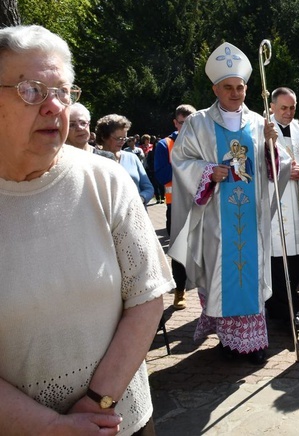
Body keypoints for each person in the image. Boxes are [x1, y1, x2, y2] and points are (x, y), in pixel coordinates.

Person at [0, 24, 174, 435]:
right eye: (31, 90)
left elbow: (147, 296)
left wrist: (97, 404)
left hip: (118, 422)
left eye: (62, 92)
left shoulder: (105, 180)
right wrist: (49, 427)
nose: (53, 107)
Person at [169, 41, 290, 364]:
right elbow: (181, 161)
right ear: (215, 88)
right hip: (215, 218)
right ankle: (228, 340)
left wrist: (271, 147)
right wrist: (208, 171)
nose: (236, 93)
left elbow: (277, 167)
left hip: (252, 218)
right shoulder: (198, 124)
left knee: (249, 276)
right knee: (222, 275)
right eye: (228, 87)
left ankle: (254, 343)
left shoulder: (259, 124)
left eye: (240, 87)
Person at [266, 87, 299, 333]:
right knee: (275, 264)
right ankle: (286, 311)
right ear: (272, 107)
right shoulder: (262, 132)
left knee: (295, 263)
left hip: (297, 208)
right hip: (273, 209)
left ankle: (287, 308)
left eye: (292, 107)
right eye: (283, 107)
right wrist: (284, 172)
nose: (288, 112)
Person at [154, 103, 197, 310]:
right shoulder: (165, 145)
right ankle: (180, 291)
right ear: (175, 122)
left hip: (204, 204)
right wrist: (193, 169)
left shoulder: (203, 142)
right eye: (183, 123)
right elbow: (162, 175)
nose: (187, 126)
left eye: (191, 122)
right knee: (179, 250)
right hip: (177, 206)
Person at [95, 114, 154, 205]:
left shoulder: (132, 157)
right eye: (118, 138)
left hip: (136, 214)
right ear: (103, 137)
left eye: (124, 138)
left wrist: (141, 199)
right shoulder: (94, 160)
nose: (122, 142)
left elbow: (148, 188)